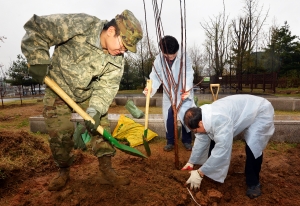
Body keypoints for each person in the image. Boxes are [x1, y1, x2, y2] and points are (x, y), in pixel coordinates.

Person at [21, 10, 143, 191]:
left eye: (126, 49)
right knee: (59, 134)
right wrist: (37, 58)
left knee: (101, 129)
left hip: (88, 94)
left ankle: (106, 170)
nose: (122, 51)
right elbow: (38, 27)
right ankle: (63, 171)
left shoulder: (117, 60)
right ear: (111, 31)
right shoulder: (81, 24)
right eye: (123, 45)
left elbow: (106, 88)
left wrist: (95, 109)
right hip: (58, 89)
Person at [182, 94, 275, 199]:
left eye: (195, 130)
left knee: (253, 147)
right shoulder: (202, 116)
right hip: (244, 111)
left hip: (260, 111)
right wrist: (191, 161)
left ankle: (254, 183)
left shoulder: (220, 120)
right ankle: (210, 172)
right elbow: (201, 140)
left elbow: (222, 149)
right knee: (210, 138)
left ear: (200, 123)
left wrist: (200, 172)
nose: (195, 133)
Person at [143, 35, 196, 152]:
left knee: (186, 115)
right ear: (162, 52)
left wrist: (186, 88)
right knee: (169, 117)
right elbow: (155, 76)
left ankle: (187, 141)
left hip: (182, 91)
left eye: (174, 55)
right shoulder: (159, 60)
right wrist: (150, 88)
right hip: (169, 93)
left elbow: (189, 73)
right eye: (168, 56)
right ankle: (170, 141)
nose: (171, 58)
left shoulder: (184, 57)